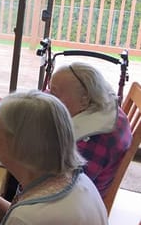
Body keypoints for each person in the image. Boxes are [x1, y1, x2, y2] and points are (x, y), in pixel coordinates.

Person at [0, 91, 108, 225]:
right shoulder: (75, 180)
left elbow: (24, 219)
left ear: (18, 145)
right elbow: (16, 217)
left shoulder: (28, 217)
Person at [49, 62, 132, 198]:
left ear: (84, 101)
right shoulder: (105, 106)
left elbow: (61, 189)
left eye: (54, 94)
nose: (48, 98)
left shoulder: (92, 141)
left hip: (76, 203)